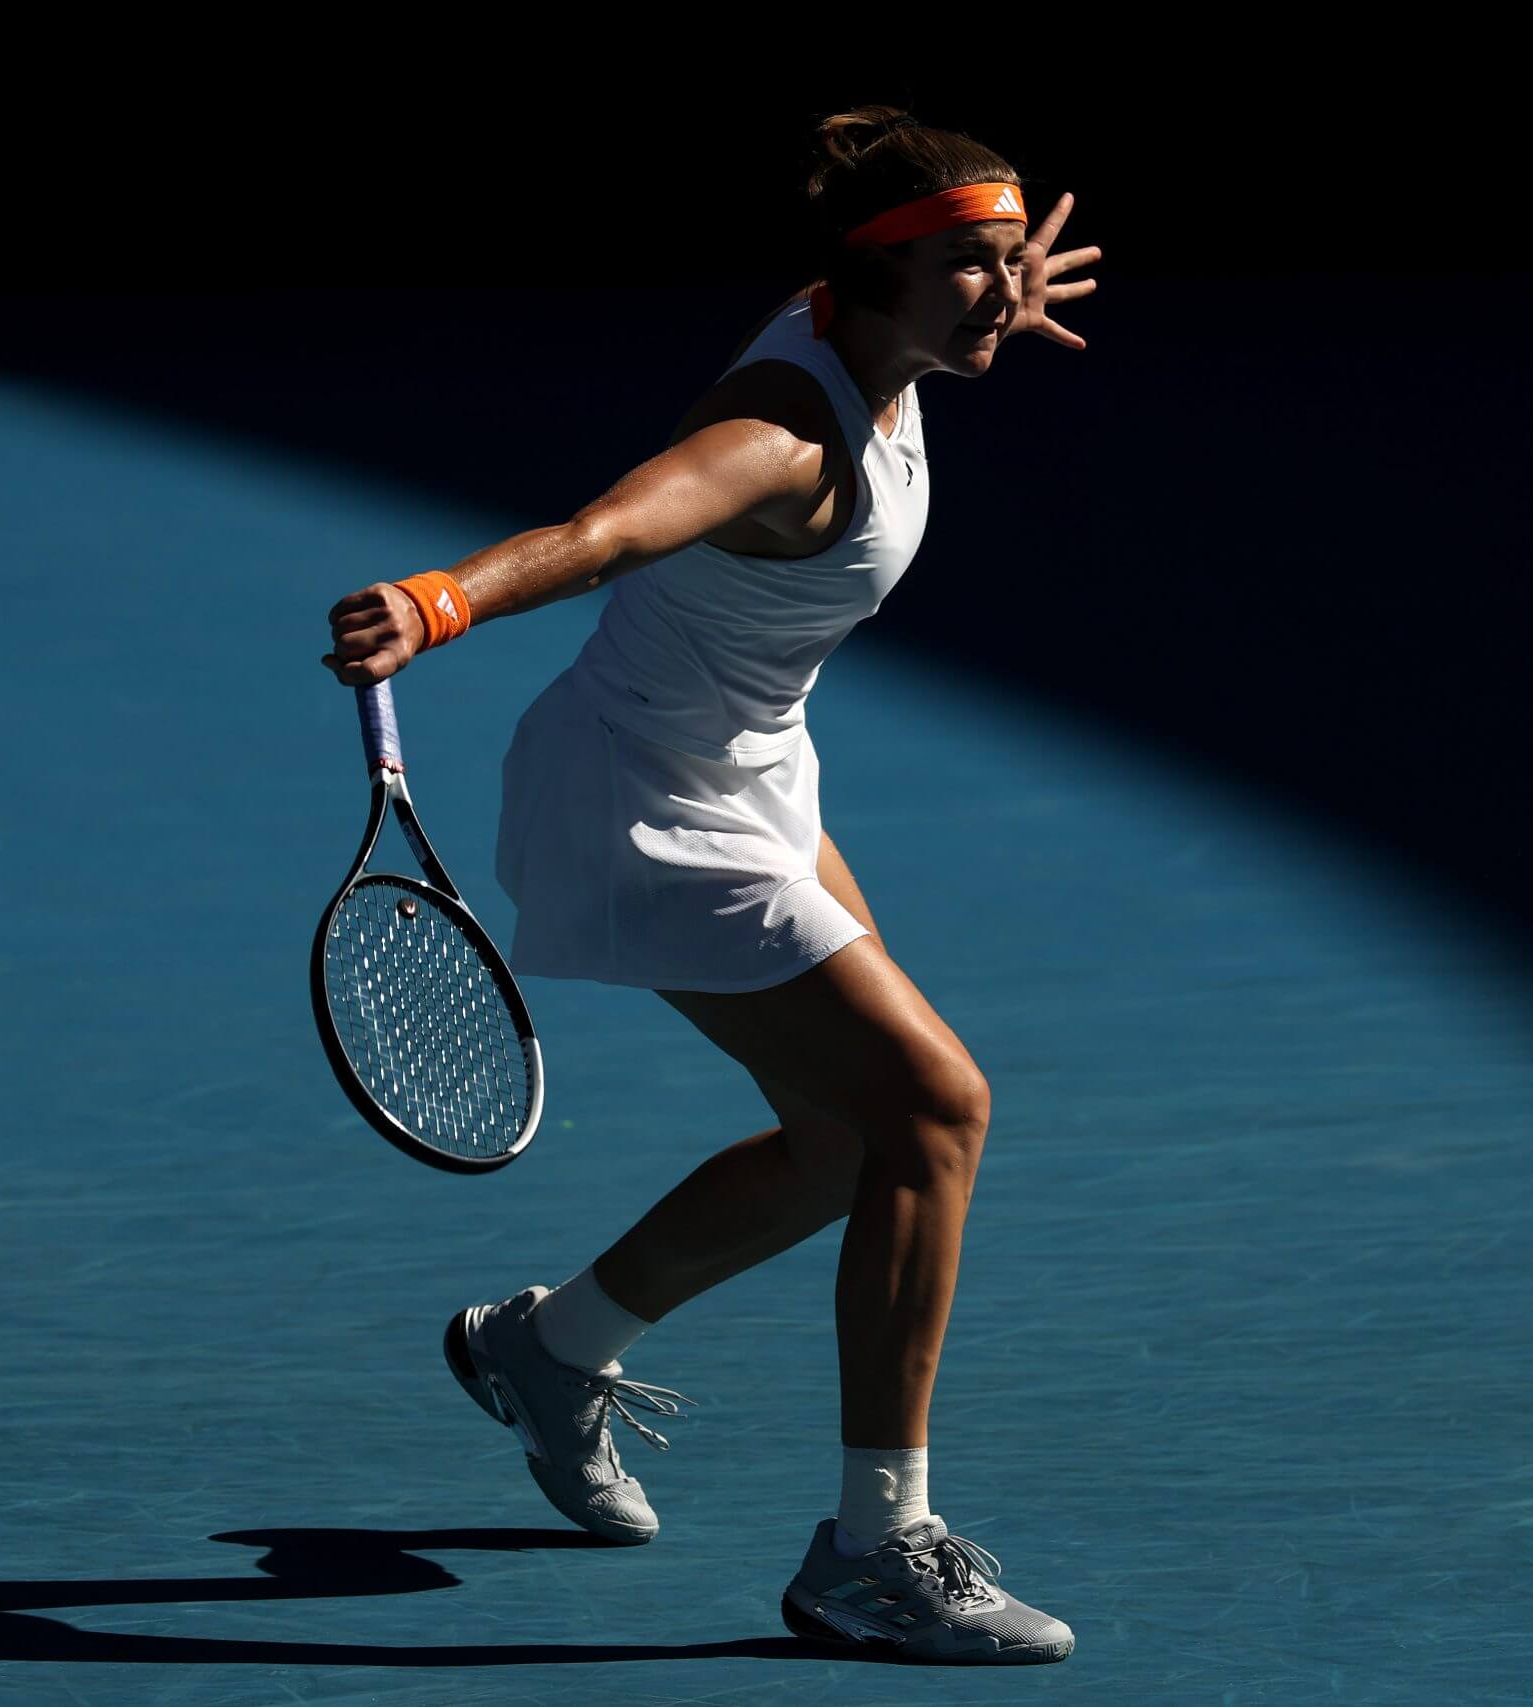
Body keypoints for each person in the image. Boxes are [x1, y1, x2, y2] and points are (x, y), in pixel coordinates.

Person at [318, 104, 1099, 1665]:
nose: (1004, 292)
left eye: (1011, 260)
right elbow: (609, 530)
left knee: (838, 1143)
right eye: (969, 266)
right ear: (869, 280)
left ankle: (553, 1351)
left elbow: (929, 292)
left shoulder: (870, 335)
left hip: (753, 768)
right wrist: (440, 598)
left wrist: (980, 279)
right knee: (936, 1111)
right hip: (646, 807)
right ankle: (876, 1553)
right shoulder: (785, 434)